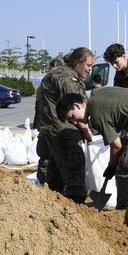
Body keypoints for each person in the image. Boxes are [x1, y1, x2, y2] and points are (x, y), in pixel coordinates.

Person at [56, 87, 128, 212]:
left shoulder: (97, 116)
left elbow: (117, 145)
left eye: (72, 117)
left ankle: (123, 212)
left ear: (77, 105)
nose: (75, 122)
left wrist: (112, 166)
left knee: (125, 172)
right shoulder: (97, 94)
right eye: (71, 121)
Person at [38, 48, 93, 204]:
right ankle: (77, 202)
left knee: (55, 166)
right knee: (74, 165)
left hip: (50, 129)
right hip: (63, 129)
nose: (90, 69)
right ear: (77, 63)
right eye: (88, 65)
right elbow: (76, 108)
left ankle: (53, 199)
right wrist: (86, 131)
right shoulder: (69, 79)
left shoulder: (55, 74)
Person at [34, 58, 63, 186]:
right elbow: (38, 106)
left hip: (58, 126)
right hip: (45, 126)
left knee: (56, 159)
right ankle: (43, 185)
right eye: (51, 72)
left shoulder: (62, 84)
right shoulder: (43, 86)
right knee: (44, 156)